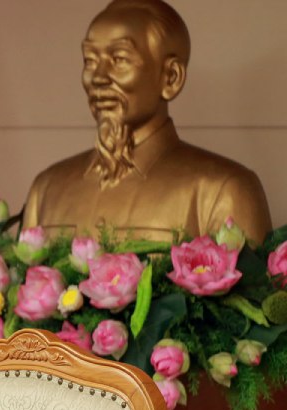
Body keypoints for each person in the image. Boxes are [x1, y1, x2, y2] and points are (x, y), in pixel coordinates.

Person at [22, 0, 271, 244]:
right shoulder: (46, 190)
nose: (98, 78)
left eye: (119, 59)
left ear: (171, 77)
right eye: (90, 61)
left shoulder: (225, 191)